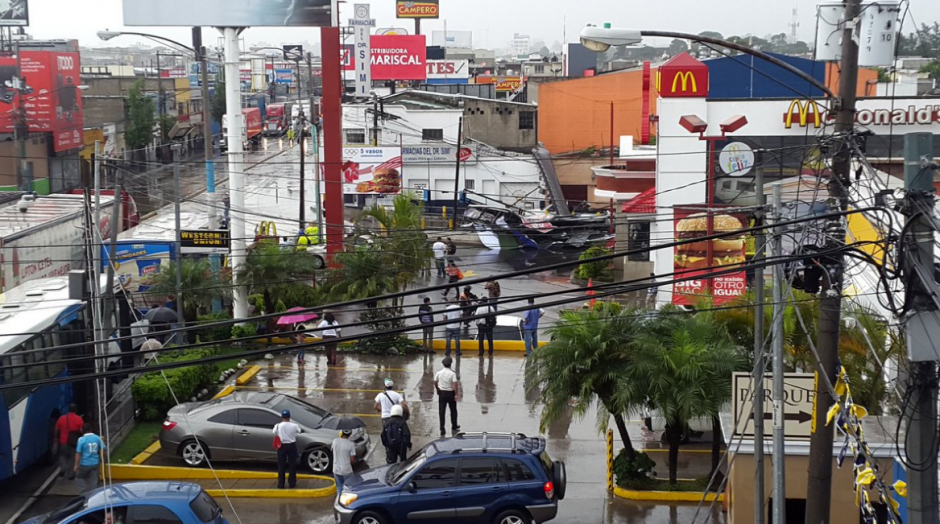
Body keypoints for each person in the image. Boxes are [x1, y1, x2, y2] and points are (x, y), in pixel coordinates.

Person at [74, 423, 106, 494]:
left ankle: (84, 492)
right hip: (95, 463)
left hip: (84, 464)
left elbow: (78, 453)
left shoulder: (81, 439)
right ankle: (93, 494)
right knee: (93, 480)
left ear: (82, 430)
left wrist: (76, 464)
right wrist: (101, 458)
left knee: (79, 478)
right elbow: (102, 448)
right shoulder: (97, 438)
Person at [273, 409, 302, 489]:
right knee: (292, 465)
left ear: (282, 417)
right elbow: (299, 431)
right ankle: (292, 483)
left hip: (281, 446)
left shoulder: (278, 425)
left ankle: (281, 484)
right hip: (292, 445)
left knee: (281, 465)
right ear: (289, 417)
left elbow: (274, 432)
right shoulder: (294, 425)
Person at [54, 404, 83, 479]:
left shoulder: (62, 418)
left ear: (68, 410)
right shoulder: (78, 419)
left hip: (63, 441)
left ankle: (63, 469)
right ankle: (70, 474)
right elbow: (81, 430)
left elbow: (56, 429)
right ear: (75, 410)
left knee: (62, 456)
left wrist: (56, 438)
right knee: (72, 458)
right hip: (73, 442)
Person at [434, 357, 460, 436]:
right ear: (450, 364)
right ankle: (454, 426)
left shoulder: (439, 372)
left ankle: (442, 428)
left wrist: (437, 389)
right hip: (450, 393)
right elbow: (455, 384)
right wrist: (456, 394)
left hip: (442, 393)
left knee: (442, 411)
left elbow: (435, 382)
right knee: (453, 410)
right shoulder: (452, 373)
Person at [331, 429, 358, 496]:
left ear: (342, 433)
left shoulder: (335, 441)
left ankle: (338, 502)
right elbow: (352, 460)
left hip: (336, 469)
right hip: (347, 470)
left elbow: (332, 450)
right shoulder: (351, 444)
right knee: (349, 488)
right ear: (350, 434)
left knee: (339, 488)